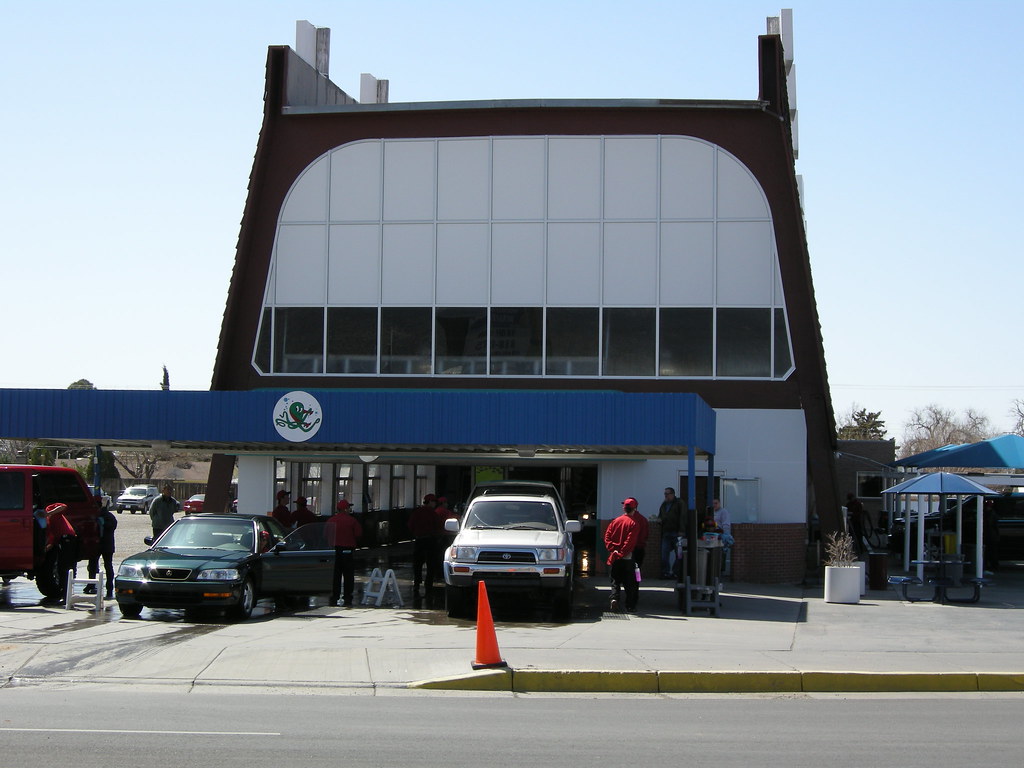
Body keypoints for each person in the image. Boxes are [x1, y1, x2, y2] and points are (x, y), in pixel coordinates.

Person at [603, 497, 641, 613]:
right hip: (627, 557)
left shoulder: (615, 521)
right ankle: (630, 606)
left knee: (615, 581)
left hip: (614, 556)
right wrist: (622, 553)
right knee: (630, 582)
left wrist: (613, 550)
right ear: (635, 508)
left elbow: (607, 537)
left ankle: (614, 598)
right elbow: (630, 542)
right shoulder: (634, 524)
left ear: (624, 508)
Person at [326, 499, 363, 607]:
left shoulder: (331, 520)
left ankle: (334, 596)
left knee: (335, 575)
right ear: (345, 509)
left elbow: (325, 535)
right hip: (347, 551)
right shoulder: (352, 521)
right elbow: (358, 534)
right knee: (348, 575)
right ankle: (347, 597)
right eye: (348, 508)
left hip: (335, 551)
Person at [407, 493, 440, 596]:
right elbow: (437, 526)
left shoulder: (416, 512)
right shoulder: (433, 514)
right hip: (431, 541)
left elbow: (410, 525)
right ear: (430, 502)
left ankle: (417, 584)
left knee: (417, 564)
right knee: (431, 564)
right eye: (434, 502)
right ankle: (428, 584)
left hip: (419, 541)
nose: (435, 504)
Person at [44, 503, 78, 600]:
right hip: (62, 540)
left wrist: (49, 513)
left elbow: (64, 506)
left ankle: (66, 594)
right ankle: (65, 592)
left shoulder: (49, 509)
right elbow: (52, 536)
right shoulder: (47, 523)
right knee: (62, 567)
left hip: (67, 538)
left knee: (64, 566)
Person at [87, 506, 117, 599]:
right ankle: (93, 585)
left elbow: (111, 527)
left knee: (101, 565)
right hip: (104, 544)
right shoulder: (109, 516)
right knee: (99, 565)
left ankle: (106, 587)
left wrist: (101, 523)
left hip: (103, 544)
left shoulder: (107, 517)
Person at [656, 487, 683, 578]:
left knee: (679, 554)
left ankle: (676, 572)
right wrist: (659, 520)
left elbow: (683, 517)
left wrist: (681, 530)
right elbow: (661, 515)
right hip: (666, 532)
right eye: (665, 494)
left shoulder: (679, 503)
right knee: (664, 554)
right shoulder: (664, 505)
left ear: (673, 494)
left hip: (677, 533)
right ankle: (665, 572)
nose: (666, 496)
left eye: (667, 494)